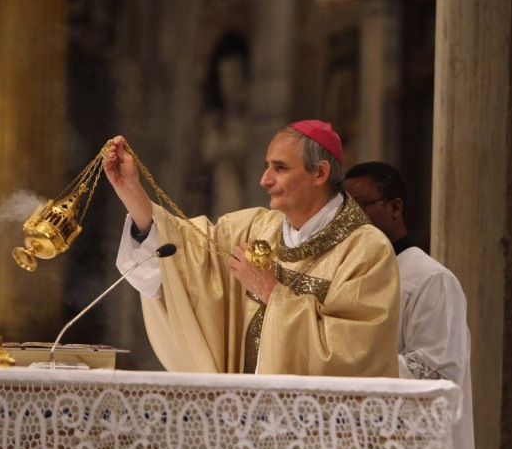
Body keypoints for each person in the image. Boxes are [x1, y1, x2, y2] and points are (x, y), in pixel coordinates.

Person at [106, 120, 400, 377]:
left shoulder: (366, 251)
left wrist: (271, 292)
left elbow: (352, 354)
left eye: (280, 168)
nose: (265, 180)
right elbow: (181, 254)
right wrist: (130, 190)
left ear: (320, 173)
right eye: (266, 166)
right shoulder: (254, 229)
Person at [344, 162, 478, 449]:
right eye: (343, 210)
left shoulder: (430, 279)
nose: (349, 221)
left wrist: (348, 362)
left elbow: (436, 373)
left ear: (395, 207)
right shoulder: (355, 280)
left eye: (359, 206)